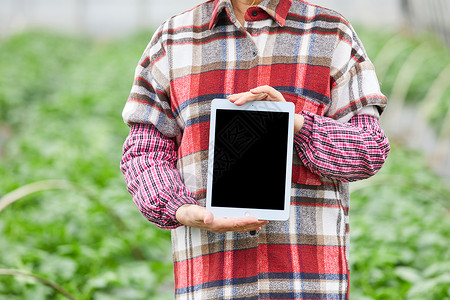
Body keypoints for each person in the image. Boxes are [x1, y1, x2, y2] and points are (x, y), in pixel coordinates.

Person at [120, 0, 390, 298]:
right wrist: (179, 208)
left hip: (306, 280)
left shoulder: (331, 33)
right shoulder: (173, 38)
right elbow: (144, 151)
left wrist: (296, 123)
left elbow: (368, 149)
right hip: (212, 280)